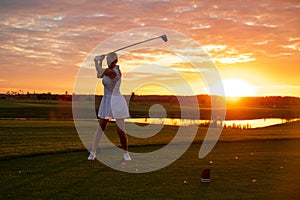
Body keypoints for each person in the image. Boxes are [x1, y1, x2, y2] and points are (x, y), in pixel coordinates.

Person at [88, 52, 131, 161]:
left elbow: (101, 71)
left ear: (115, 61)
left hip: (117, 102)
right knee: (101, 127)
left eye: (110, 61)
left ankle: (126, 153)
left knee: (120, 130)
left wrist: (96, 61)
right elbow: (99, 74)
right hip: (107, 101)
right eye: (108, 61)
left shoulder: (114, 72)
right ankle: (93, 152)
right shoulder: (108, 70)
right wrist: (100, 61)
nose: (109, 63)